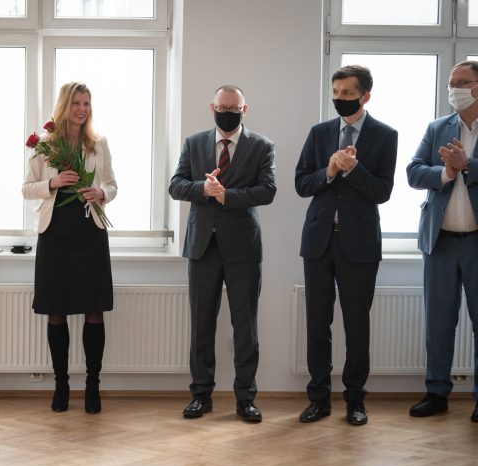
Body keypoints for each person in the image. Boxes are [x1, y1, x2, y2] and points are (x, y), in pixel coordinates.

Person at [295, 65, 397, 426]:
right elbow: (302, 184)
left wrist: (353, 168)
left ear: (365, 96)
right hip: (318, 242)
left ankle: (356, 401)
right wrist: (330, 170)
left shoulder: (385, 135)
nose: (340, 99)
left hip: (360, 244)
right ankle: (318, 399)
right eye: (336, 93)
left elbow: (382, 192)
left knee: (356, 325)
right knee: (317, 324)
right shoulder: (320, 132)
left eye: (347, 94)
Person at [168, 85, 276, 422]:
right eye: (222, 107)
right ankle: (201, 395)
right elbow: (176, 185)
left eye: (233, 108)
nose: (227, 112)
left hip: (243, 248)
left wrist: (226, 196)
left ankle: (246, 399)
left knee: (245, 328)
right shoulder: (194, 143)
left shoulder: (262, 146)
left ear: (244, 110)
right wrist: (203, 188)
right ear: (212, 107)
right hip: (202, 246)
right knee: (201, 326)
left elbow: (267, 190)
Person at [22, 82, 117, 414]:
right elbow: (26, 188)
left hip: (90, 232)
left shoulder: (98, 143)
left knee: (94, 308)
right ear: (65, 106)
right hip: (55, 234)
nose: (82, 109)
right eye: (76, 103)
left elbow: (112, 185)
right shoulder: (44, 144)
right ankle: (61, 385)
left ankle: (93, 386)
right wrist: (53, 182)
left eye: (86, 103)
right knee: (56, 309)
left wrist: (101, 193)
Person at [407, 60, 478, 422]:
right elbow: (414, 172)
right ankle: (436, 393)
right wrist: (447, 172)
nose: (454, 89)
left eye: (462, 82)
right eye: (452, 83)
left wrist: (468, 165)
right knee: (438, 322)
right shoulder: (438, 127)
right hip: (440, 242)